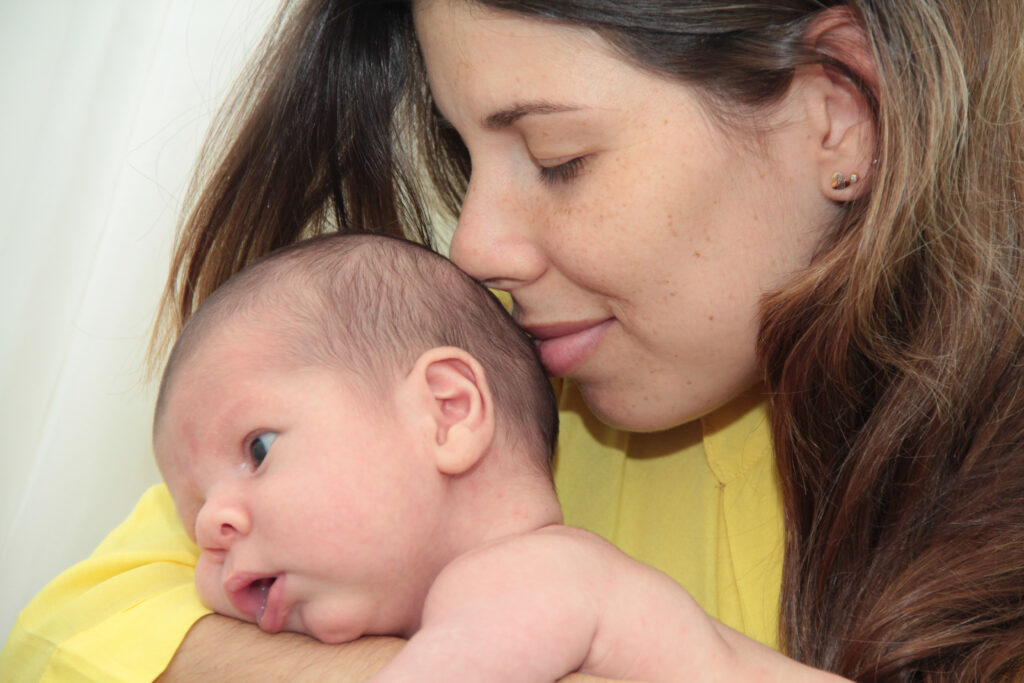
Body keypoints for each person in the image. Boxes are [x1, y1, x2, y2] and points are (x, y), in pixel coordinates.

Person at [3, 0, 1022, 680]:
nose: (474, 246)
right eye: (463, 153)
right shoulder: (500, 384)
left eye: (557, 155)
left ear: (838, 112)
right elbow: (74, 627)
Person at [154, 232, 831, 681]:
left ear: (447, 412)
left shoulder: (520, 580)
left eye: (259, 449)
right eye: (194, 512)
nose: (212, 524)